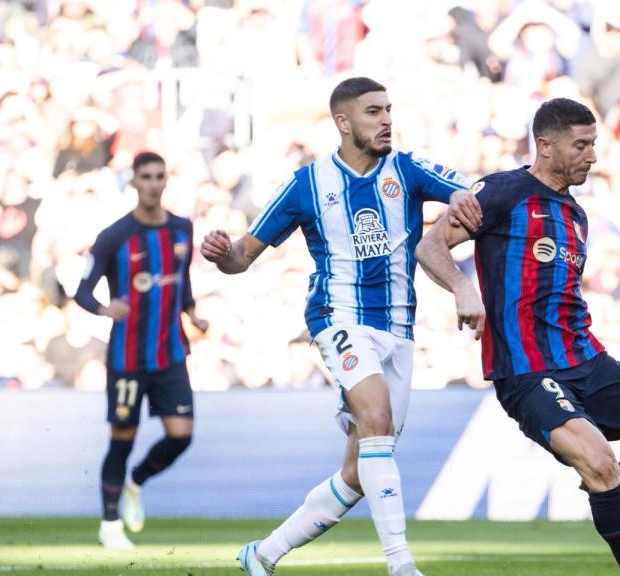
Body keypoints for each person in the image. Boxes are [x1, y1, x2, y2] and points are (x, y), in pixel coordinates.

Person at [200, 77, 481, 576]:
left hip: (399, 327)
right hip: (338, 318)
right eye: (374, 112)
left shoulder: (409, 170)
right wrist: (222, 255)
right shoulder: (307, 184)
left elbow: (475, 194)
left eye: (389, 110)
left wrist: (469, 205)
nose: (387, 120)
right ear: (343, 122)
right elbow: (243, 256)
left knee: (357, 474)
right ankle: (401, 565)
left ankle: (261, 555)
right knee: (374, 421)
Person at [415, 98, 620, 576]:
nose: (592, 156)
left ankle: (616, 494)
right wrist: (464, 289)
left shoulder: (575, 215)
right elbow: (431, 246)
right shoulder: (503, 192)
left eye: (594, 145)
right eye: (581, 145)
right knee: (600, 462)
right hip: (527, 369)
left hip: (586, 357)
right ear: (544, 146)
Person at [74, 151, 208, 549]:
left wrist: (193, 314)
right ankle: (110, 525)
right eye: (145, 176)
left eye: (159, 176)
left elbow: (182, 284)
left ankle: (136, 481)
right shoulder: (114, 236)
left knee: (181, 435)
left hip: (170, 354)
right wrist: (103, 308)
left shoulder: (183, 230)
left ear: (166, 181)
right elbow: (81, 290)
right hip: (127, 358)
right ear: (133, 182)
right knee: (122, 439)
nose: (153, 183)